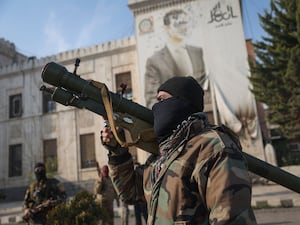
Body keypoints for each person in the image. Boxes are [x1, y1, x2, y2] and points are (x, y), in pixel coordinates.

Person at [101, 76, 257, 225]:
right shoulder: (163, 155)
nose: (156, 107)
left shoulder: (213, 148)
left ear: (182, 102)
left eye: (162, 100)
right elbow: (131, 193)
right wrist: (117, 151)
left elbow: (231, 218)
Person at [144, 9, 207, 108]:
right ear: (167, 28)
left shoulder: (197, 52)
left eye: (185, 23)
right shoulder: (155, 61)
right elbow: (152, 100)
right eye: (178, 24)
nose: (183, 28)